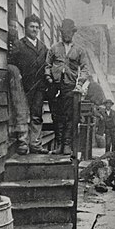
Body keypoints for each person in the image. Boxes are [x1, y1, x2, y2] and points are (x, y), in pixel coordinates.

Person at [45, 18, 89, 155]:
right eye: (65, 32)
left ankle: (67, 145)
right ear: (61, 33)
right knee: (57, 116)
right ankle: (59, 144)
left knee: (69, 116)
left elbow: (85, 68)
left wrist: (80, 83)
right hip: (55, 86)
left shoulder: (79, 50)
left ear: (73, 33)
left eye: (69, 32)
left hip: (70, 86)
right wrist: (49, 78)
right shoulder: (54, 48)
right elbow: (47, 65)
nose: (67, 34)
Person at [9, 14, 49, 154]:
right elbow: (11, 64)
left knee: (37, 115)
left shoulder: (43, 48)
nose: (34, 30)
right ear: (26, 28)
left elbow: (46, 67)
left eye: (37, 27)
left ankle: (35, 144)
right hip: (24, 86)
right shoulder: (19, 45)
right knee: (22, 114)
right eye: (32, 27)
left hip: (39, 87)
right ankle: (23, 144)